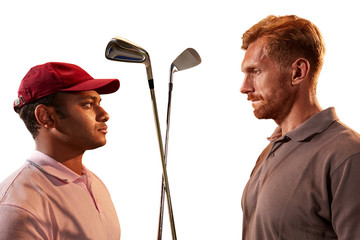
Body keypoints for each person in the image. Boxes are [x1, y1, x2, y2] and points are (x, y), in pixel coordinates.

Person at [240, 15, 360, 239]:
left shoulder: (348, 155)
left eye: (255, 71)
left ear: (297, 72)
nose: (244, 87)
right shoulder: (269, 153)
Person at [0, 62, 121, 239]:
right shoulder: (20, 206)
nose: (104, 115)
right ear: (46, 117)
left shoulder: (95, 183)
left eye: (99, 103)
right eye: (88, 104)